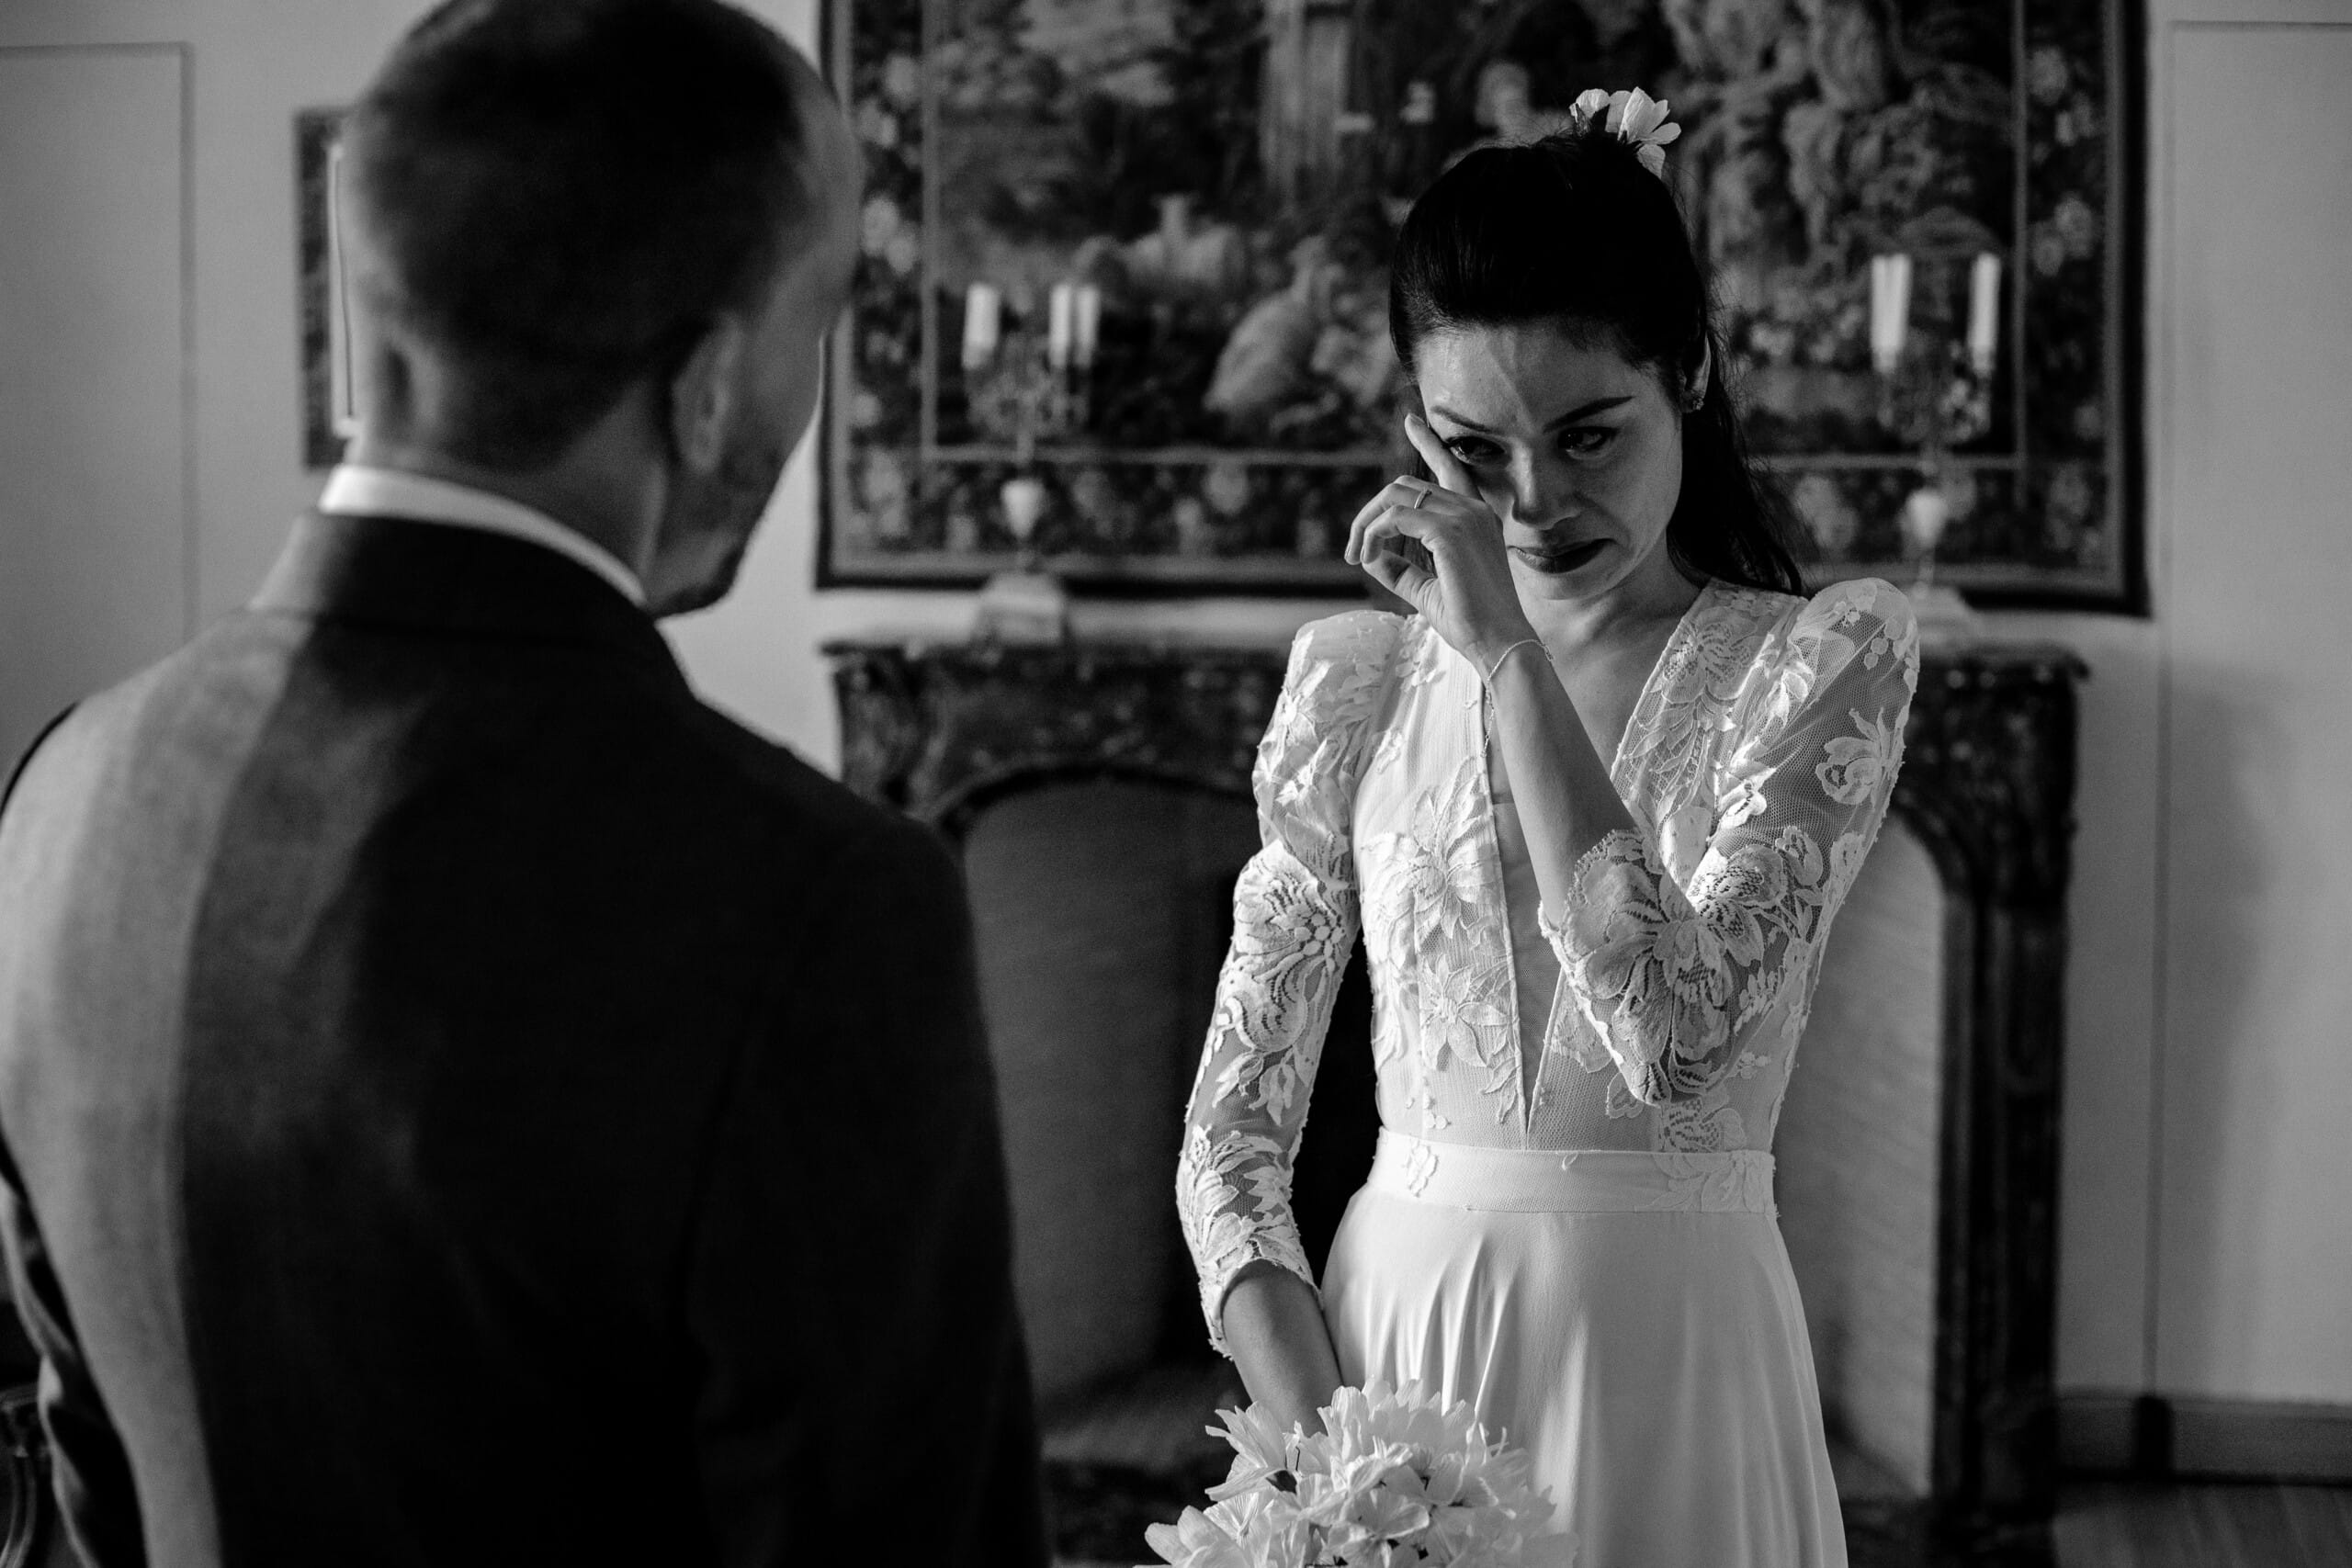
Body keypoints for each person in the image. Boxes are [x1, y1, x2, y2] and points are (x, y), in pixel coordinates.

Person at [0, 3, 1046, 1563]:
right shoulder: (810, 901)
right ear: (705, 386)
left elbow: (83, 1478)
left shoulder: (69, 792)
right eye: (817, 319)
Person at [1176, 91, 1917, 1567]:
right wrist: (1337, 1476)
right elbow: (1230, 1144)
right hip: (1396, 1369)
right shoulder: (1353, 681)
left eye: (1588, 437)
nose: (1533, 503)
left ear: (1689, 375)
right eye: (1472, 452)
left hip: (1675, 1364)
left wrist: (1509, 656)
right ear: (1410, 435)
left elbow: (1675, 1040)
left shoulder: (1823, 662)